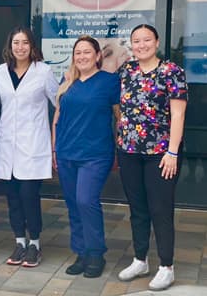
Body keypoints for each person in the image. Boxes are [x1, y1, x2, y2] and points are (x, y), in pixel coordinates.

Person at [116, 24, 188, 291]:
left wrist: (172, 151)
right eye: (136, 41)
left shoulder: (171, 72)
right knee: (138, 209)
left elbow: (178, 115)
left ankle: (166, 266)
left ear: (157, 42)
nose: (141, 45)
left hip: (161, 153)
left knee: (161, 210)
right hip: (129, 151)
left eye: (147, 40)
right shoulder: (127, 71)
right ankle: (140, 259)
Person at [51, 35, 120, 278]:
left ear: (98, 55)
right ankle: (80, 252)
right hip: (67, 151)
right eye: (77, 52)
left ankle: (96, 253)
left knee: (85, 200)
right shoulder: (67, 80)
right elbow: (57, 117)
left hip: (95, 154)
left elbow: (121, 116)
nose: (81, 56)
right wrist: (54, 150)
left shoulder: (110, 82)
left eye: (87, 52)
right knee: (73, 204)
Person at [0, 26, 58, 268]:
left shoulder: (44, 71)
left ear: (32, 46)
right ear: (9, 46)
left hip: (33, 145)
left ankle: (35, 244)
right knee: (12, 198)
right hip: (7, 143)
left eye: (24, 43)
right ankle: (20, 242)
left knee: (29, 196)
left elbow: (58, 101)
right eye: (15, 43)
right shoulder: (0, 72)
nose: (20, 47)